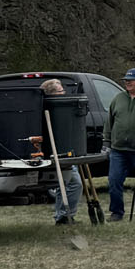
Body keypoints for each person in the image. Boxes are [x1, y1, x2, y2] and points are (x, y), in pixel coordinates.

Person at [105, 68, 135, 221]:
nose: (127, 82)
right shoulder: (118, 98)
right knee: (114, 181)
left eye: (131, 80)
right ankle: (116, 212)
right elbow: (109, 121)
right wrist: (107, 141)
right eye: (126, 80)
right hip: (118, 149)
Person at [41, 76, 83, 225]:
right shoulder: (49, 110)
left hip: (68, 151)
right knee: (75, 183)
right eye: (60, 91)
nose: (64, 93)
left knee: (65, 185)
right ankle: (65, 215)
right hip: (57, 153)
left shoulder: (64, 110)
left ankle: (61, 216)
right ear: (52, 94)